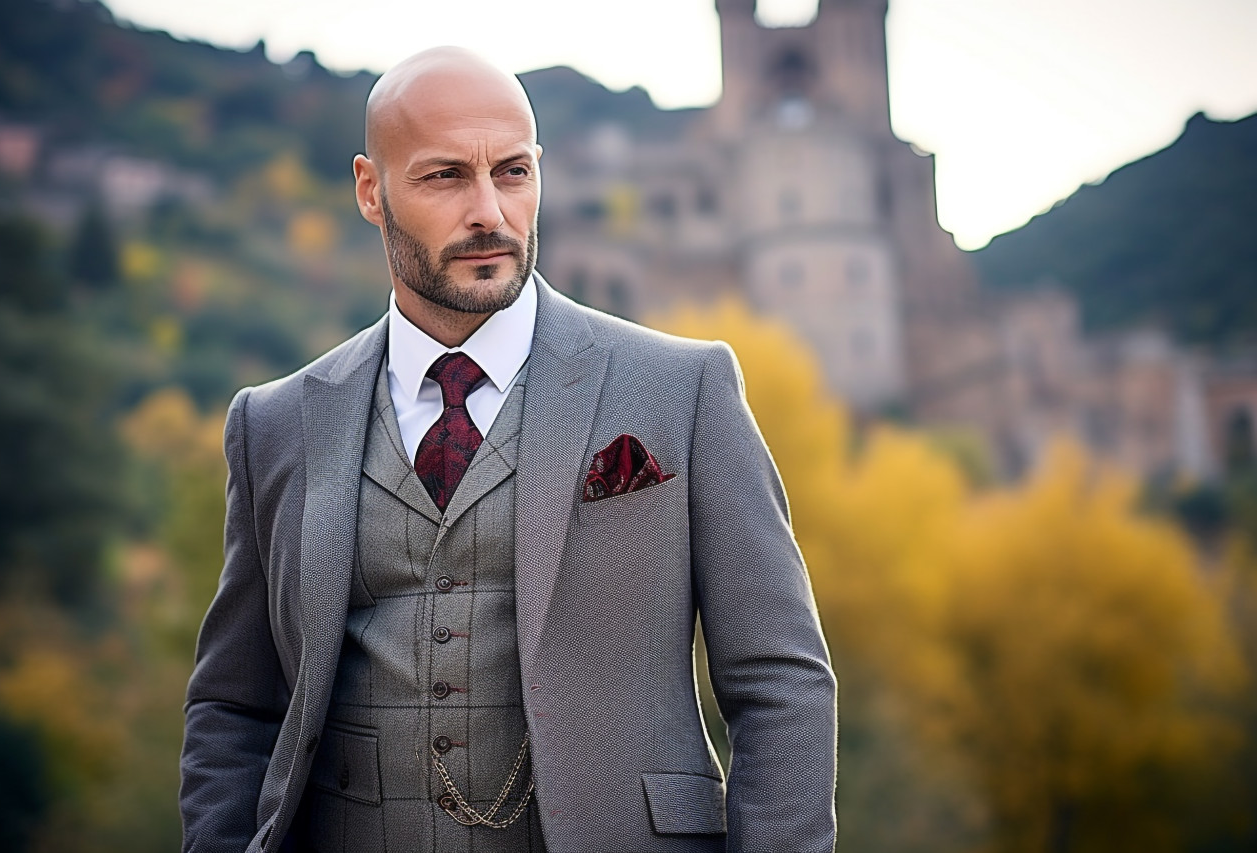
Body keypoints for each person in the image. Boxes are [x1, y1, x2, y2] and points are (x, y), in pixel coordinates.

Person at [179, 46, 837, 853]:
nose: (489, 210)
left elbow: (780, 681)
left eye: (514, 172)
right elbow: (233, 706)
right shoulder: (274, 424)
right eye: (445, 176)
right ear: (369, 191)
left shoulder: (682, 388)